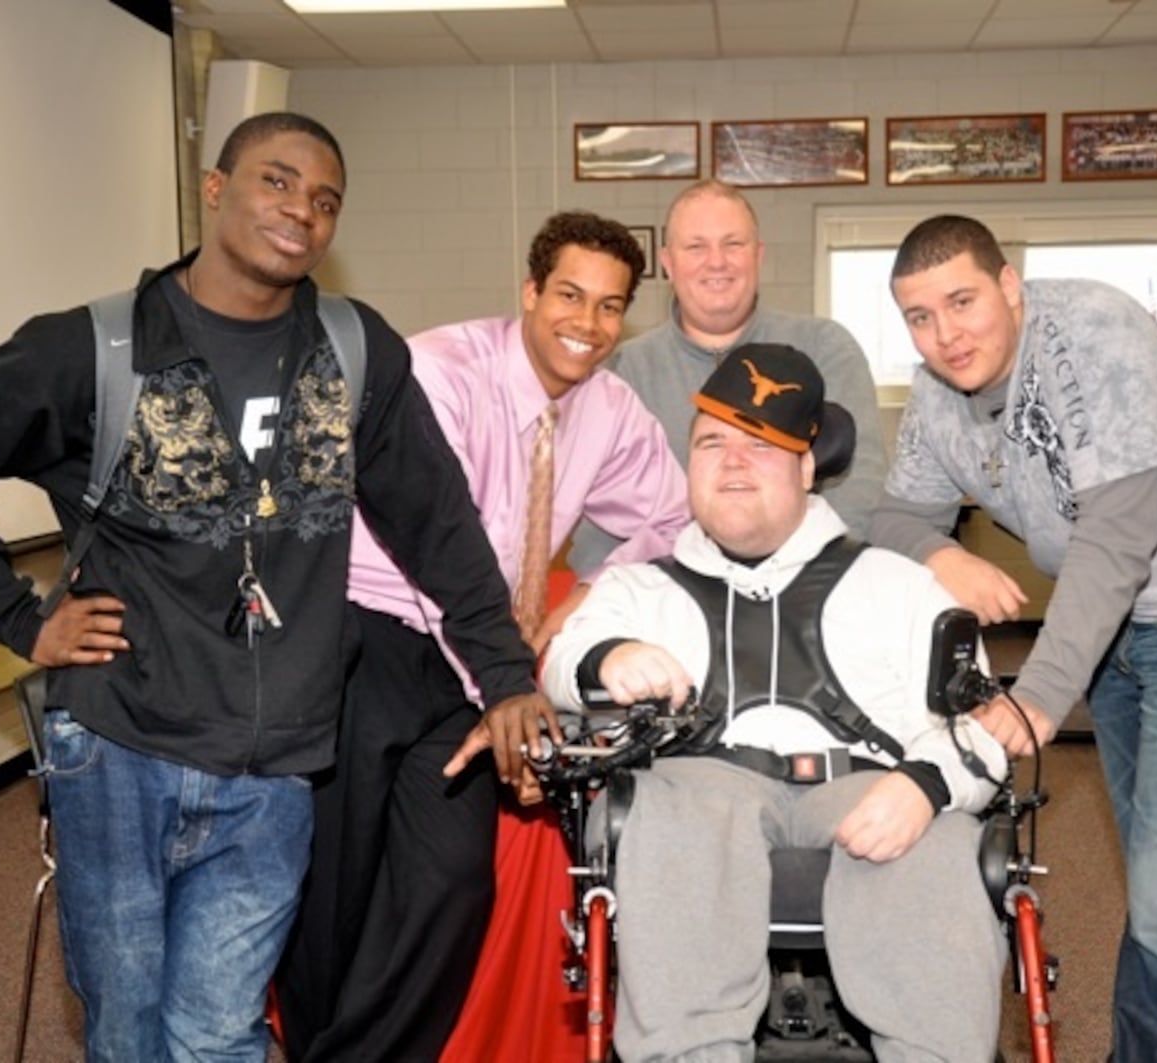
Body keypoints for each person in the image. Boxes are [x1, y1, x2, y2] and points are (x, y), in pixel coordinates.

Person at [0, 112, 551, 1062]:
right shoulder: (95, 348)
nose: (300, 213)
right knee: (128, 1021)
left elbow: (441, 529)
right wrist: (20, 621)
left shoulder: (356, 354)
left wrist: (506, 674)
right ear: (215, 188)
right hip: (119, 747)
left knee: (221, 1027)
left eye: (324, 201)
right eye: (276, 182)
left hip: (276, 766)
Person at [871, 214, 1157, 1062]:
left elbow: (1117, 537)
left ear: (1011, 286)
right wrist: (942, 553)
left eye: (962, 301)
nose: (944, 334)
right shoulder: (938, 395)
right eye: (919, 317)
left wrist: (1037, 697)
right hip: (1123, 625)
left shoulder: (1093, 329)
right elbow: (895, 517)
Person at [276, 210, 691, 1062]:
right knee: (337, 891)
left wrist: (590, 600)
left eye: (611, 307)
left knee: (451, 885)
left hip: (469, 664)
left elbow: (673, 519)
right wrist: (502, 687)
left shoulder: (607, 408)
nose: (588, 324)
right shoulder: (440, 371)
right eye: (570, 295)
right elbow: (439, 543)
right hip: (367, 635)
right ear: (529, 291)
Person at [543, 342, 1009, 1063]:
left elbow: (984, 729)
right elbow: (563, 663)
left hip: (870, 784)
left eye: (759, 447)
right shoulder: (638, 589)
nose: (731, 461)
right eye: (711, 443)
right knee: (668, 808)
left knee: (938, 836)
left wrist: (925, 784)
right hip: (700, 790)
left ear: (804, 466)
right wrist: (609, 656)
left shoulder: (900, 584)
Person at [566, 179, 887, 575]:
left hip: (804, 585)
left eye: (733, 244)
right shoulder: (622, 373)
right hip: (664, 594)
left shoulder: (826, 349)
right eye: (696, 246)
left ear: (758, 255)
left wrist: (792, 581)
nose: (716, 261)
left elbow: (859, 489)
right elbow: (599, 522)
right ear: (667, 262)